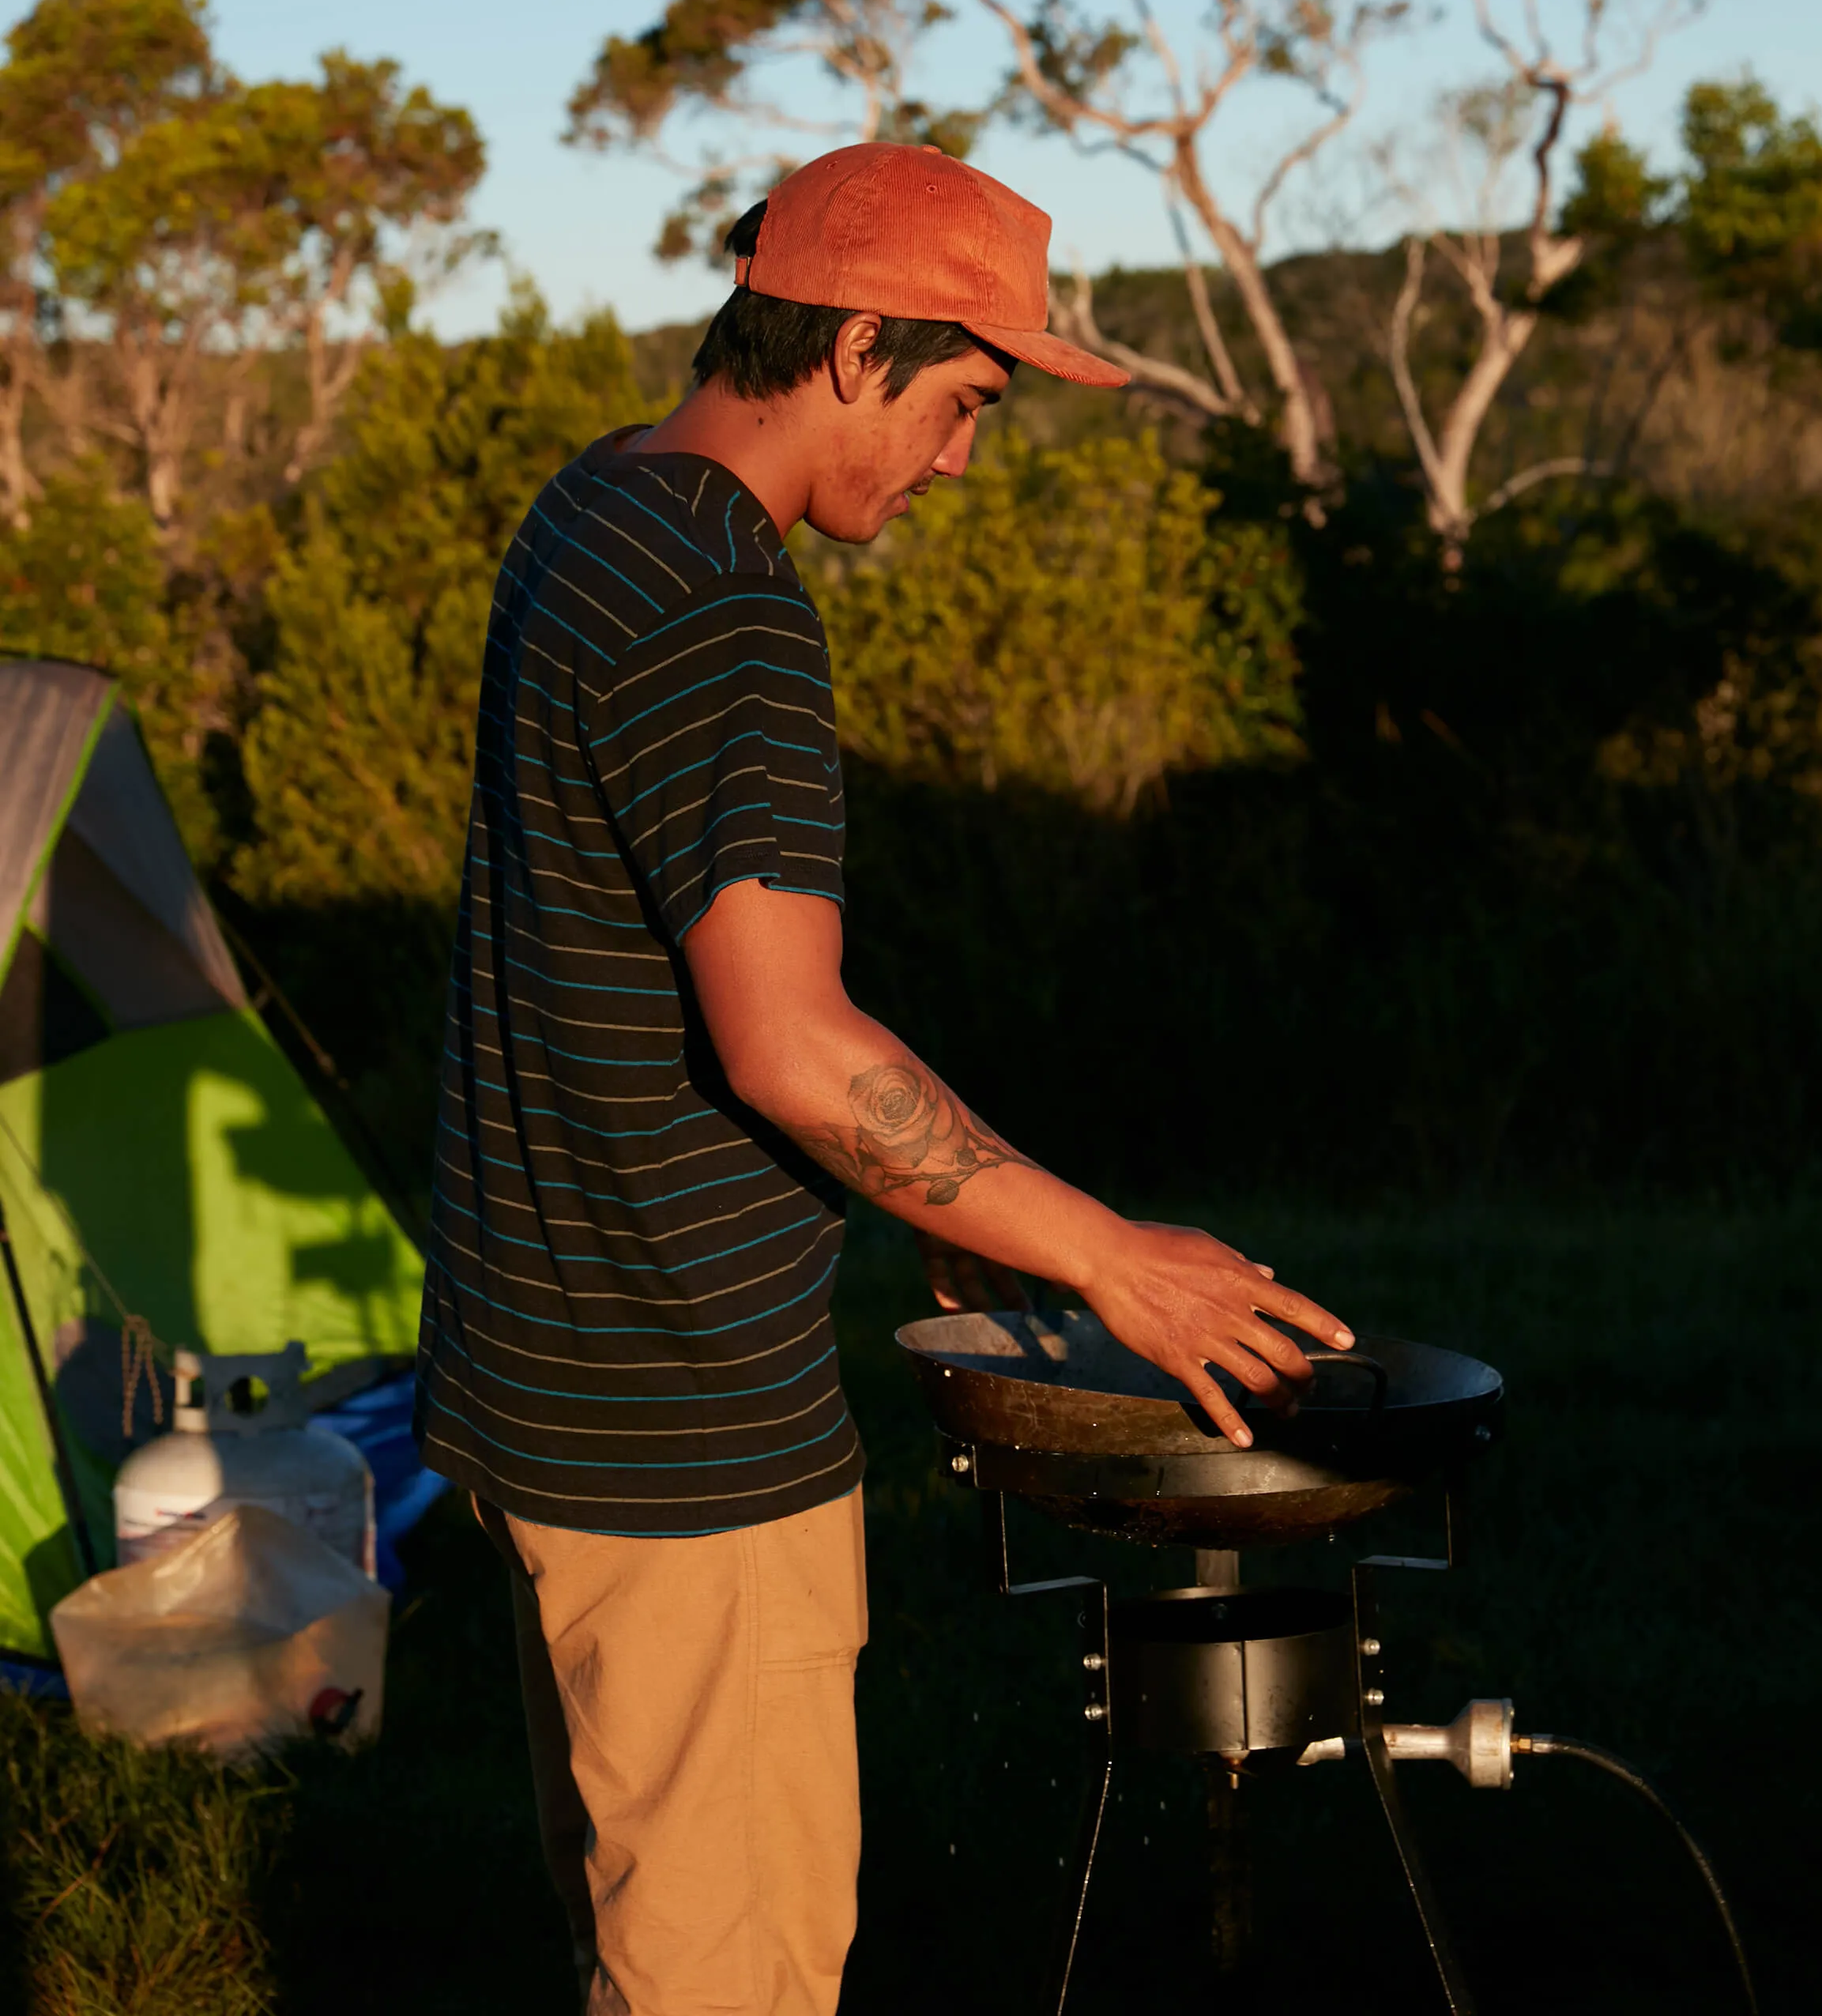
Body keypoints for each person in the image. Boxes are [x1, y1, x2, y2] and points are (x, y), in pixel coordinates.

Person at [413, 141, 1353, 2016]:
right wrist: (1109, 1256)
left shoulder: (596, 509)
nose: (958, 461)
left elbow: (629, 990)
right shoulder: (729, 609)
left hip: (535, 1389)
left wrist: (933, 1202)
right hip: (681, 1449)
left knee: (631, 1941)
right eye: (963, 401)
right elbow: (789, 1042)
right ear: (854, 345)